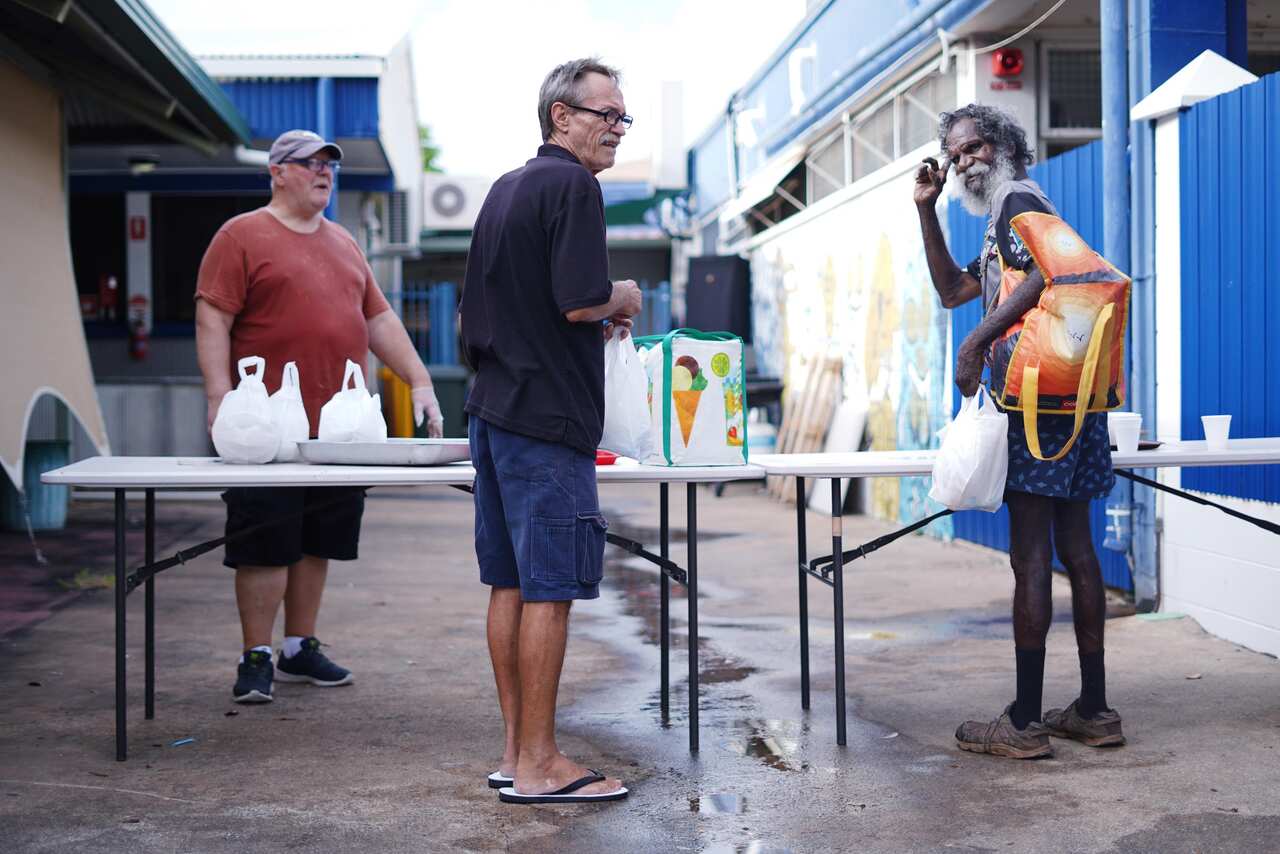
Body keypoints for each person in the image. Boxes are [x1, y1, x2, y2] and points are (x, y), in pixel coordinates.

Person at [196, 129, 444, 704]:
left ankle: (297, 647)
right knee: (264, 541)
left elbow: (378, 319)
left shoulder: (344, 242)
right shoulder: (241, 235)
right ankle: (256, 655)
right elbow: (213, 318)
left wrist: (421, 380)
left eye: (328, 165)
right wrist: (218, 397)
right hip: (266, 430)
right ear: (277, 172)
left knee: (317, 540)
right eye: (309, 163)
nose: (323, 172)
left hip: (339, 431)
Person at [914, 105, 1124, 759]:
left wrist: (974, 344)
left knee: (1031, 556)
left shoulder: (1018, 200)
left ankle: (1026, 721)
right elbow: (954, 291)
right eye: (954, 154)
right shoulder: (1004, 219)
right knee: (1076, 550)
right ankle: (1093, 710)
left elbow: (1047, 274)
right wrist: (926, 209)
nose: (962, 162)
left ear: (1003, 144)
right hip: (1071, 401)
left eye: (972, 147)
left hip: (1037, 408)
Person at [459, 58, 641, 804]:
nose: (617, 128)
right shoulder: (573, 186)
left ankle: (515, 754)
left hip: (495, 411)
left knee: (509, 583)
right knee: (550, 590)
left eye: (623, 117)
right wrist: (622, 295)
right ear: (561, 116)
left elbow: (499, 307)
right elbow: (579, 299)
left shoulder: (506, 188)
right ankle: (540, 764)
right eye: (605, 114)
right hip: (545, 420)